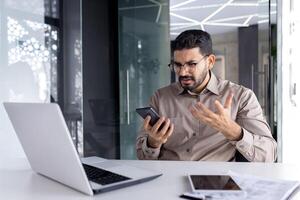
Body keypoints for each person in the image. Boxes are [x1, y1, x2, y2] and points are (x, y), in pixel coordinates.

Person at [136, 29, 277, 162]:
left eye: (192, 64)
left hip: (217, 184)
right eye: (177, 65)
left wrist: (233, 131)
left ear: (210, 61)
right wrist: (153, 142)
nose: (183, 72)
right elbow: (143, 158)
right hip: (168, 181)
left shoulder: (241, 97)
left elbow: (269, 154)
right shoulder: (160, 97)